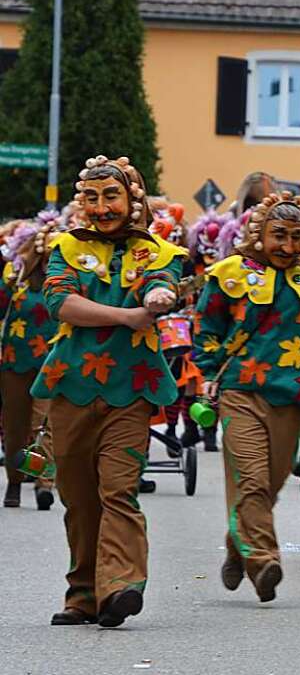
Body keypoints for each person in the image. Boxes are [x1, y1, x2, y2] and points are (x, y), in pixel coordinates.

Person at [32, 155, 186, 627]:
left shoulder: (159, 252)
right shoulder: (65, 248)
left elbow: (164, 286)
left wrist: (159, 298)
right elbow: (62, 301)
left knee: (118, 492)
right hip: (71, 384)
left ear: (131, 199)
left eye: (111, 196)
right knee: (78, 498)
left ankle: (119, 586)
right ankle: (81, 593)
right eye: (93, 197)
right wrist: (126, 316)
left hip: (131, 387)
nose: (101, 207)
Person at [194, 191, 300, 601]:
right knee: (253, 479)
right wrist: (209, 373)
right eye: (278, 235)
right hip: (240, 391)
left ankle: (237, 543)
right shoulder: (229, 274)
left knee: (272, 483)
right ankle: (264, 560)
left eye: (296, 237)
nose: (287, 246)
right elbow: (206, 328)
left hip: (295, 395)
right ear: (259, 234)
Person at [0, 212, 62, 510]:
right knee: (15, 426)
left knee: (45, 425)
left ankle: (44, 483)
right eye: (48, 253)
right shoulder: (16, 278)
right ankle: (14, 481)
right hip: (14, 362)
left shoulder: (69, 283)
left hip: (53, 364)